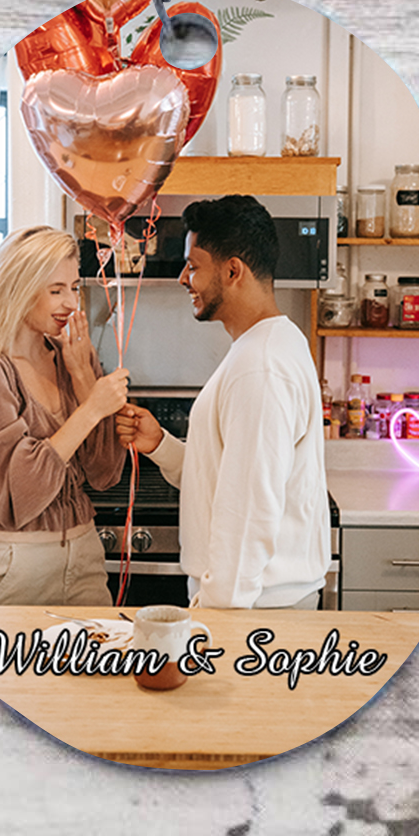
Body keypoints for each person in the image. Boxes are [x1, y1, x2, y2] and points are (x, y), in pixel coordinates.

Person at [115, 195, 331, 609]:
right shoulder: (268, 345)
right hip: (257, 603)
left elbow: (249, 510)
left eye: (193, 266)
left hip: (254, 610)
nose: (183, 278)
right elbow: (224, 475)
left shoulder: (260, 366)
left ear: (233, 271)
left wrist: (218, 617)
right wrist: (160, 444)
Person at [0, 226, 130, 605]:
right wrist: (91, 408)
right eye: (56, 290)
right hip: (16, 561)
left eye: (74, 287)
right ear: (19, 288)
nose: (71, 303)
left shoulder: (72, 357)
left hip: (84, 552)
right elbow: (22, 491)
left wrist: (82, 376)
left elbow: (104, 473)